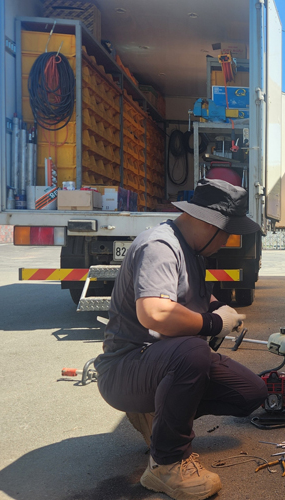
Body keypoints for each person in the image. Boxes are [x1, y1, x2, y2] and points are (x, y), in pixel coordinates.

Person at [94, 178, 267, 500]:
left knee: (250, 393)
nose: (228, 240)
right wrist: (213, 322)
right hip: (126, 366)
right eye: (227, 231)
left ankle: (158, 415)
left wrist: (219, 308)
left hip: (158, 363)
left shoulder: (192, 252)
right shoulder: (159, 246)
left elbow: (191, 299)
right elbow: (156, 314)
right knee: (192, 351)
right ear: (206, 222)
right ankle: (166, 463)